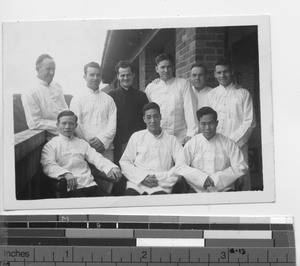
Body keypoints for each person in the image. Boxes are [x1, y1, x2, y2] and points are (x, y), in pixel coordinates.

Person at [41, 110, 122, 198]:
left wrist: (112, 167)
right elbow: (48, 165)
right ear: (57, 125)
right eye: (64, 123)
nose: (67, 127)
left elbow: (97, 158)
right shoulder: (51, 145)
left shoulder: (82, 143)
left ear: (75, 126)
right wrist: (65, 174)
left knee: (110, 205)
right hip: (71, 189)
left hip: (90, 186)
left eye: (71, 123)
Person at [206, 58, 256, 190]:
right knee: (218, 180)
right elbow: (207, 120)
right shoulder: (211, 95)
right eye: (219, 72)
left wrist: (232, 142)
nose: (222, 75)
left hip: (238, 145)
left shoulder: (243, 93)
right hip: (216, 145)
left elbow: (249, 122)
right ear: (215, 74)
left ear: (231, 72)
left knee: (240, 180)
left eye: (226, 71)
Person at [175, 107, 248, 193]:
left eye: (211, 123)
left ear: (217, 123)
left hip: (223, 190)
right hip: (197, 190)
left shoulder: (228, 143)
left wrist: (217, 180)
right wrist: (202, 179)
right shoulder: (192, 143)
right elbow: (180, 166)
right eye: (203, 124)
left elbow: (241, 166)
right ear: (198, 124)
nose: (207, 128)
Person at [70, 62, 117, 192]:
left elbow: (112, 124)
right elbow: (76, 123)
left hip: (106, 148)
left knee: (107, 182)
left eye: (98, 75)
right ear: (84, 76)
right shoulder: (77, 98)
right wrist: (91, 143)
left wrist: (102, 141)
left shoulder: (108, 99)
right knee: (86, 183)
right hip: (85, 148)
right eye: (92, 75)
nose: (95, 78)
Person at [120, 102, 183, 195]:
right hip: (137, 185)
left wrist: (161, 179)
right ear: (144, 119)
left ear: (160, 117)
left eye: (156, 116)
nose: (152, 120)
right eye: (149, 117)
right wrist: (142, 177)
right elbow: (125, 162)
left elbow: (181, 164)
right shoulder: (136, 136)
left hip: (162, 186)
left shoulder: (172, 140)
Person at [145, 53, 198, 145]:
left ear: (173, 68)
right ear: (157, 69)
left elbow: (191, 110)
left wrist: (191, 134)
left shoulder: (183, 84)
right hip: (157, 139)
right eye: (162, 67)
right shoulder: (151, 87)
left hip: (180, 138)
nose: (166, 70)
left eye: (169, 67)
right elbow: (147, 112)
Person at [108, 60, 149, 165]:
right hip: (118, 142)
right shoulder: (111, 96)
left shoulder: (142, 96)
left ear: (133, 75)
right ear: (118, 76)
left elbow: (146, 119)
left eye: (128, 75)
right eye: (122, 75)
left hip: (138, 142)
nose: (125, 78)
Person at [22, 54, 68, 138]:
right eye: (48, 69)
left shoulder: (57, 86)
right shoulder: (31, 91)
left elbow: (66, 110)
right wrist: (63, 126)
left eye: (54, 69)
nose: (52, 73)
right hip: (50, 139)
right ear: (37, 69)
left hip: (69, 134)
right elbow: (34, 123)